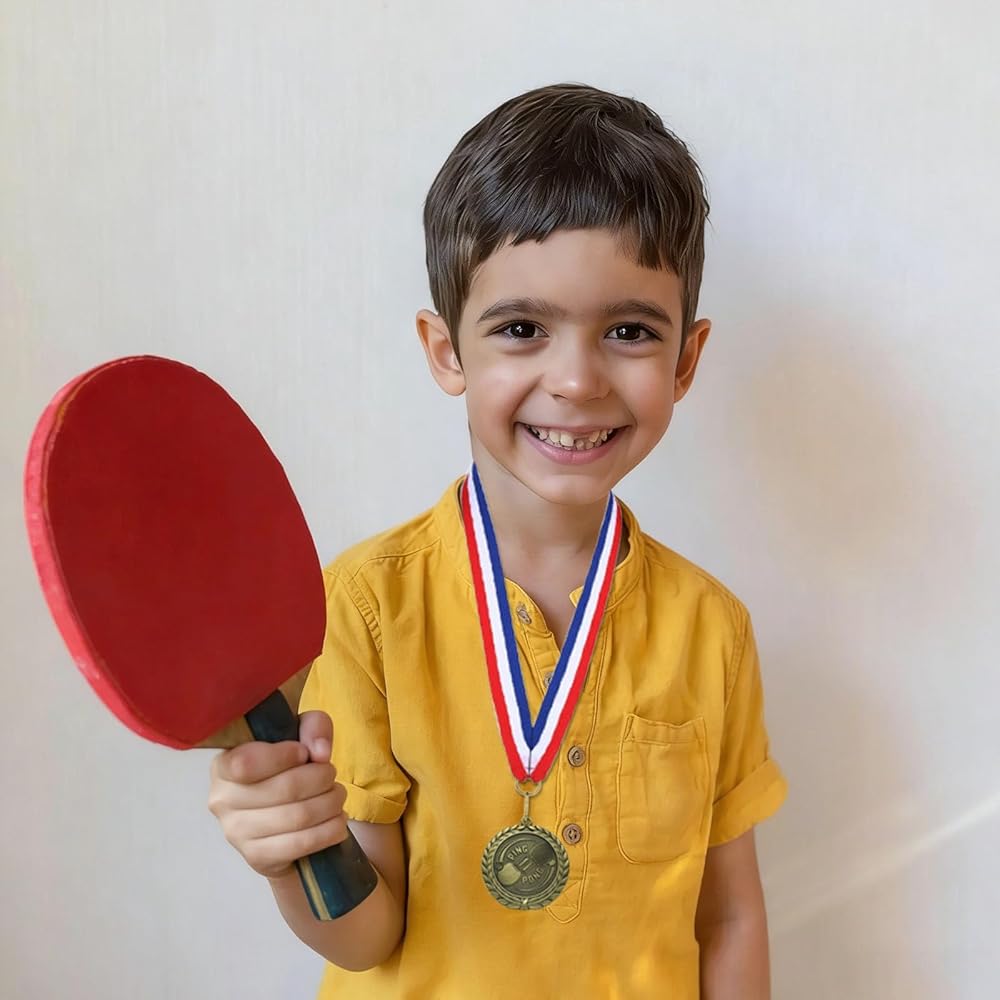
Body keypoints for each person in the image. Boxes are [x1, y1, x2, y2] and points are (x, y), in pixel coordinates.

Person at [208, 82, 787, 999]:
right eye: (522, 329)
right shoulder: (364, 604)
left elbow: (729, 919)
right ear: (447, 351)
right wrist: (294, 856)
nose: (577, 380)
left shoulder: (713, 628)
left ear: (685, 359)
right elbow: (367, 936)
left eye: (629, 331)